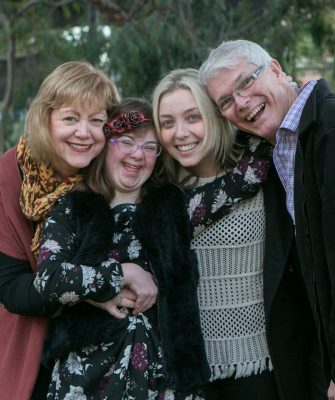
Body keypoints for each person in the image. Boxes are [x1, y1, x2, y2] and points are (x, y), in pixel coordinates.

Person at [198, 39, 335, 400]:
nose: (241, 103)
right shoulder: (287, 145)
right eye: (226, 101)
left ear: (275, 68)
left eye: (245, 82)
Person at [34, 96, 272, 399]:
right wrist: (121, 274)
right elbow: (48, 280)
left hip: (166, 381)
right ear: (106, 144)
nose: (138, 154)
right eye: (127, 142)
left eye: (150, 147)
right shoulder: (73, 208)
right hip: (87, 379)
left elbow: (247, 177)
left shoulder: (174, 207)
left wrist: (242, 108)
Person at [152, 68, 280, 400]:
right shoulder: (157, 195)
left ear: (213, 114)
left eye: (192, 117)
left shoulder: (262, 169)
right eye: (167, 123)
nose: (180, 133)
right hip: (186, 373)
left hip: (261, 366)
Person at [0, 60, 122, 400]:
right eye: (70, 118)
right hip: (33, 349)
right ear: (46, 119)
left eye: (96, 121)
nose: (84, 133)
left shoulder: (113, 173)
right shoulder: (9, 176)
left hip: (108, 353)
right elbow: (12, 289)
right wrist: (100, 286)